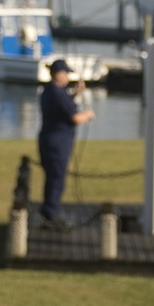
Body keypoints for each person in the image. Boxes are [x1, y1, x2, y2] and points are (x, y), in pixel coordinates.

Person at [38, 58, 95, 229]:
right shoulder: (58, 93)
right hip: (58, 144)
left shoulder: (49, 91)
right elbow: (75, 117)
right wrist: (88, 114)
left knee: (51, 178)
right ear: (59, 74)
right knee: (57, 179)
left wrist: (76, 93)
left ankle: (48, 211)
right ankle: (51, 214)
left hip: (47, 140)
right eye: (66, 74)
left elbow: (64, 106)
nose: (68, 78)